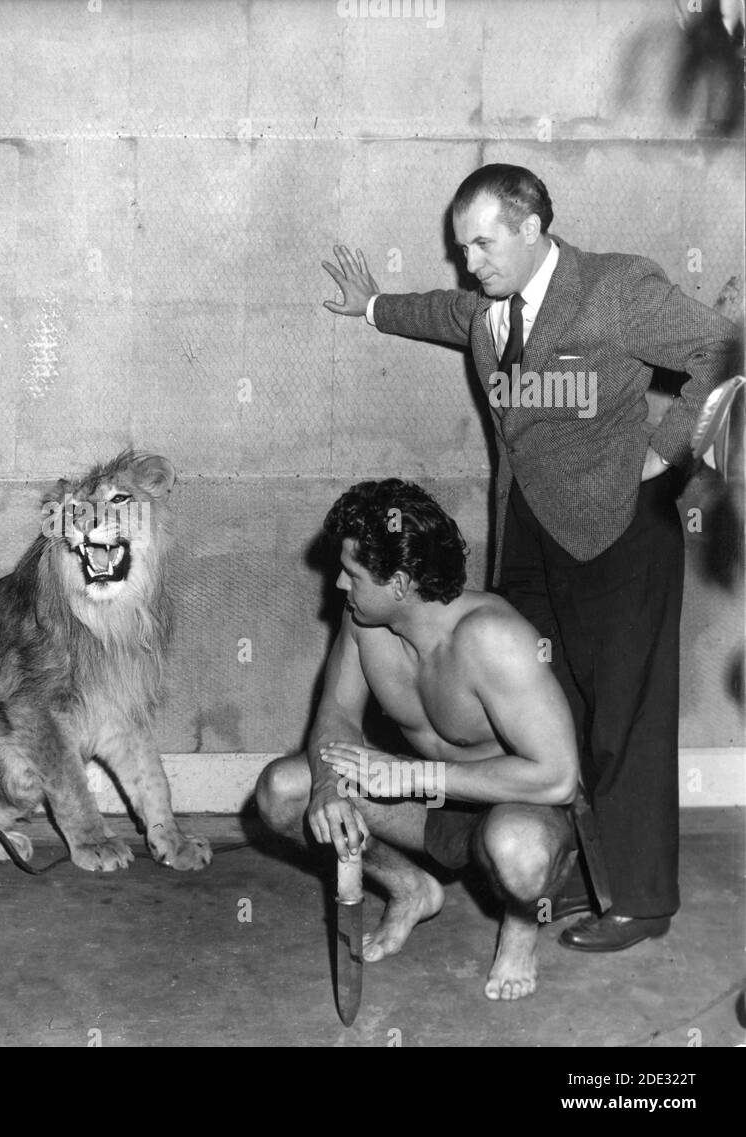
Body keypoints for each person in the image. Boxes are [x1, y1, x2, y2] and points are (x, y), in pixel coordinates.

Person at [321, 164, 740, 952]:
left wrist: (665, 454)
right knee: (552, 714)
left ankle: (641, 899)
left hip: (622, 530)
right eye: (461, 246)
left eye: (482, 242)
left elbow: (722, 348)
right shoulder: (489, 310)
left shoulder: (614, 289)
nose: (469, 260)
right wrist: (372, 304)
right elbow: (443, 312)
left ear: (531, 227)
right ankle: (574, 867)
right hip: (531, 535)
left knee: (624, 715)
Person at [256, 480, 580, 1000]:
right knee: (283, 789)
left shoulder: (494, 637)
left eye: (353, 574)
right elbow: (337, 710)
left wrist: (417, 774)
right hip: (426, 804)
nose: (339, 583)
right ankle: (411, 888)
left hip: (514, 805)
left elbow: (559, 777)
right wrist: (327, 788)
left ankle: (521, 927)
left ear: (401, 583)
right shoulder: (365, 621)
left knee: (519, 851)